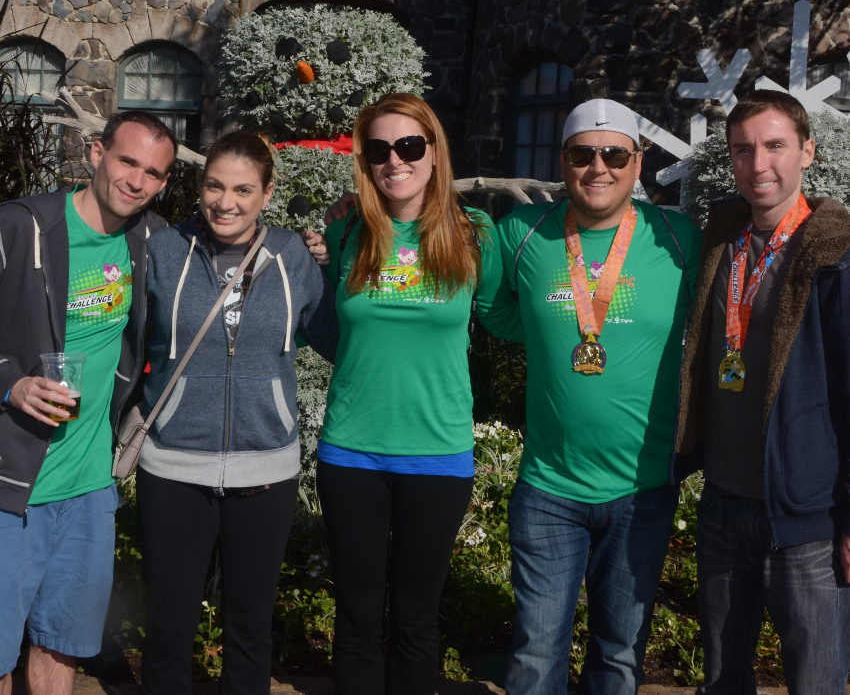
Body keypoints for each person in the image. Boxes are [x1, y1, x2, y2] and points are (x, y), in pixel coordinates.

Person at [317, 93, 522, 695]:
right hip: (351, 452)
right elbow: (323, 327)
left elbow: (502, 316)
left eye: (409, 146)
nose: (394, 161)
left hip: (437, 454)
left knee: (415, 619)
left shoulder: (473, 232)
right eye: (379, 149)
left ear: (434, 153)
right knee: (356, 618)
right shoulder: (346, 230)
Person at [497, 99, 701, 694]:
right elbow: (486, 302)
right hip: (549, 489)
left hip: (644, 490)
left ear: (638, 163)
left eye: (614, 154)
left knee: (619, 656)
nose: (598, 167)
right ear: (563, 161)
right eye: (583, 154)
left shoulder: (679, 238)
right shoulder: (521, 233)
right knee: (535, 656)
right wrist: (347, 224)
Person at [135, 131, 338, 695]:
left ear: (267, 194)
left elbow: (337, 337)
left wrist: (344, 258)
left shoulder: (293, 257)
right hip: (173, 465)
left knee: (250, 628)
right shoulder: (163, 250)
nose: (226, 202)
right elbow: (126, 343)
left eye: (243, 189)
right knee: (168, 628)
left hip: (266, 467)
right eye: (214, 186)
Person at [674, 89, 850, 694]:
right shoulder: (722, 238)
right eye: (743, 150)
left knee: (816, 681)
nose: (759, 165)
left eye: (775, 146)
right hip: (724, 500)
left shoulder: (835, 255)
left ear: (808, 152)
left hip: (808, 514)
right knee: (723, 678)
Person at [0, 112, 176, 695]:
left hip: (89, 487)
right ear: (96, 153)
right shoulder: (20, 225)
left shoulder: (148, 239)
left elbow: (231, 231)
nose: (136, 181)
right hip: (11, 484)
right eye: (127, 161)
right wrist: (11, 385)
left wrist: (324, 240)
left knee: (62, 644)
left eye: (153, 173)